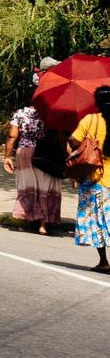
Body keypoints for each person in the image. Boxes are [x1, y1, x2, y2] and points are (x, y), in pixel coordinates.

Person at [68, 84, 110, 273]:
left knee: (98, 221)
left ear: (97, 102)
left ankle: (104, 261)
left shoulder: (90, 120)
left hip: (95, 179)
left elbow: (73, 141)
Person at [4, 96, 60, 234]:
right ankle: (43, 224)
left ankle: (31, 216)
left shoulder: (20, 113)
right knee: (45, 186)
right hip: (44, 153)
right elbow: (59, 135)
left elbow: (13, 136)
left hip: (24, 152)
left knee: (29, 184)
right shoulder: (50, 113)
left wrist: (7, 156)